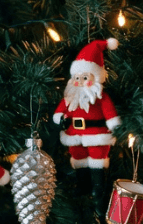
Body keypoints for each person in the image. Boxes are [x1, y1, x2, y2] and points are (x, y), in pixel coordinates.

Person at [53, 38, 121, 216]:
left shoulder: (101, 96)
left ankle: (98, 194)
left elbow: (110, 113)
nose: (80, 81)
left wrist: (114, 124)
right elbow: (59, 112)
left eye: (85, 77)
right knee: (78, 159)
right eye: (77, 77)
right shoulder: (70, 96)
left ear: (95, 78)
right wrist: (60, 118)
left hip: (97, 134)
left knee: (97, 161)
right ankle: (82, 187)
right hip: (74, 135)